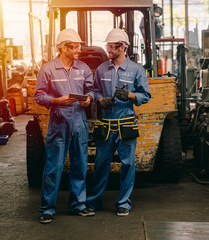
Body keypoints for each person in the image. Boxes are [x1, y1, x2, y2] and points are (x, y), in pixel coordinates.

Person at [87, 28, 151, 217]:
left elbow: (146, 95)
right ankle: (94, 201)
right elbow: (95, 89)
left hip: (126, 125)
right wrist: (100, 100)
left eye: (112, 47)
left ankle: (123, 203)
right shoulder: (101, 69)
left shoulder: (137, 70)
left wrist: (130, 95)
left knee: (128, 165)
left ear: (123, 47)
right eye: (108, 46)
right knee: (100, 164)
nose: (109, 50)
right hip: (106, 124)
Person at [34, 28, 95, 224]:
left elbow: (91, 89)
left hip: (79, 123)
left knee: (80, 165)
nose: (78, 50)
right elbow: (39, 95)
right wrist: (56, 101)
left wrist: (88, 99)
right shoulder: (48, 69)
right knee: (54, 167)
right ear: (63, 48)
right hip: (59, 123)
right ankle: (47, 208)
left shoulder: (83, 68)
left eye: (78, 46)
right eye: (74, 47)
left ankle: (78, 205)